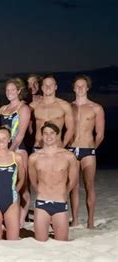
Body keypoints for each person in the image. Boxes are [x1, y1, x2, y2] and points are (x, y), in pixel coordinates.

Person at [29, 122, 78, 241]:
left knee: (62, 242)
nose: (48, 136)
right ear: (42, 136)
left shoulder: (68, 156)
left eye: (51, 133)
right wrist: (40, 191)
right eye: (45, 133)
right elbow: (33, 180)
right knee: (40, 242)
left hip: (60, 203)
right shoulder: (34, 157)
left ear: (57, 135)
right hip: (42, 203)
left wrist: (65, 193)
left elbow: (73, 180)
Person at [68, 75, 105, 228]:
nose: (80, 88)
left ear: (88, 88)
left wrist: (91, 149)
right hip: (71, 149)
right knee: (73, 186)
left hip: (88, 150)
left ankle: (90, 221)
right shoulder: (68, 107)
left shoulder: (96, 108)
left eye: (83, 86)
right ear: (73, 88)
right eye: (77, 86)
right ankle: (75, 219)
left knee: (89, 185)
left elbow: (100, 134)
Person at [0, 78, 31, 226]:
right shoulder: (2, 109)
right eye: (7, 90)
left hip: (18, 150)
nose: (9, 92)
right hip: (4, 150)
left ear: (19, 91)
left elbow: (20, 135)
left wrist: (9, 151)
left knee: (22, 186)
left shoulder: (23, 108)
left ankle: (21, 219)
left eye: (12, 90)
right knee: (8, 185)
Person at [30, 75, 74, 149]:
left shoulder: (64, 105)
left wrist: (62, 146)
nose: (48, 87)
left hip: (57, 147)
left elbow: (71, 129)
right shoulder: (34, 105)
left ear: (56, 87)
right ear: (42, 87)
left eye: (51, 85)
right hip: (39, 147)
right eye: (45, 85)